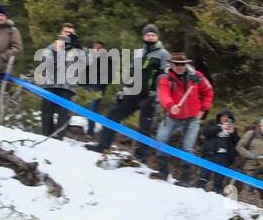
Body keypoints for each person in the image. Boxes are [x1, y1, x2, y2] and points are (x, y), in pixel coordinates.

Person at [86, 23, 168, 162]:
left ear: (157, 37)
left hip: (149, 95)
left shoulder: (163, 54)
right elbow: (130, 72)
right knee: (112, 115)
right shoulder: (138, 52)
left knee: (145, 127)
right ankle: (103, 145)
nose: (150, 37)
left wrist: (158, 95)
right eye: (148, 34)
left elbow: (165, 76)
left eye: (153, 35)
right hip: (132, 92)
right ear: (143, 36)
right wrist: (122, 90)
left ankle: (142, 157)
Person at [151, 51, 213, 183]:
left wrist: (203, 109)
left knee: (187, 147)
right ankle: (163, 171)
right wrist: (170, 105)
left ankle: (186, 178)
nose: (180, 67)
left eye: (182, 64)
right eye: (177, 64)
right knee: (160, 139)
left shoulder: (196, 76)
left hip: (192, 118)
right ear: (171, 64)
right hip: (173, 116)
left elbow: (209, 92)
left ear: (186, 64)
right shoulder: (165, 78)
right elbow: (163, 94)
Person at [37, 22, 83, 138]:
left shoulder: (78, 48)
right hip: (51, 83)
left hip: (67, 85)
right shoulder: (53, 46)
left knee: (63, 114)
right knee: (46, 112)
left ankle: (58, 138)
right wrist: (55, 50)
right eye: (66, 32)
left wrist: (78, 47)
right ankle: (45, 136)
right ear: (61, 33)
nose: (68, 34)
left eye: (71, 33)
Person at [197, 109, 239, 194]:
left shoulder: (233, 129)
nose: (225, 119)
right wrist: (220, 127)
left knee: (218, 180)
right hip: (210, 154)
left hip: (224, 157)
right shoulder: (212, 123)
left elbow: (237, 143)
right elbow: (205, 133)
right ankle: (197, 192)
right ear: (219, 117)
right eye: (223, 116)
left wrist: (232, 133)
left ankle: (217, 196)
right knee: (203, 176)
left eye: (227, 117)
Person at [82, 40, 111, 136]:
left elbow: (110, 75)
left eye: (99, 47)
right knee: (89, 108)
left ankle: (90, 131)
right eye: (95, 46)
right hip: (88, 86)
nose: (97, 48)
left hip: (98, 87)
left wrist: (102, 83)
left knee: (93, 108)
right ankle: (89, 130)